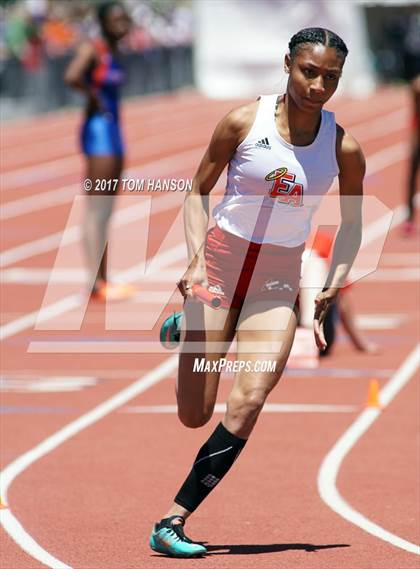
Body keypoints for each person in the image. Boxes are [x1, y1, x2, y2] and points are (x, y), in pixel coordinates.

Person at [150, 27, 364, 557]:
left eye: (330, 78)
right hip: (222, 264)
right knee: (194, 413)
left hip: (276, 278)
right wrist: (196, 258)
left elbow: (355, 223)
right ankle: (188, 327)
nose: (318, 86)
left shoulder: (343, 147)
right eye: (309, 72)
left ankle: (172, 520)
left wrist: (335, 279)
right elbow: (198, 189)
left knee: (248, 400)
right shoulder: (244, 122)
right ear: (288, 63)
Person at [65, 1, 132, 299]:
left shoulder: (114, 50)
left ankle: (103, 278)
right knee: (97, 206)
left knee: (106, 210)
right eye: (115, 19)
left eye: (124, 18)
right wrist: (93, 96)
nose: (122, 23)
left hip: (114, 131)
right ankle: (95, 281)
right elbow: (72, 76)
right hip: (99, 133)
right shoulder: (93, 49)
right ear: (103, 22)